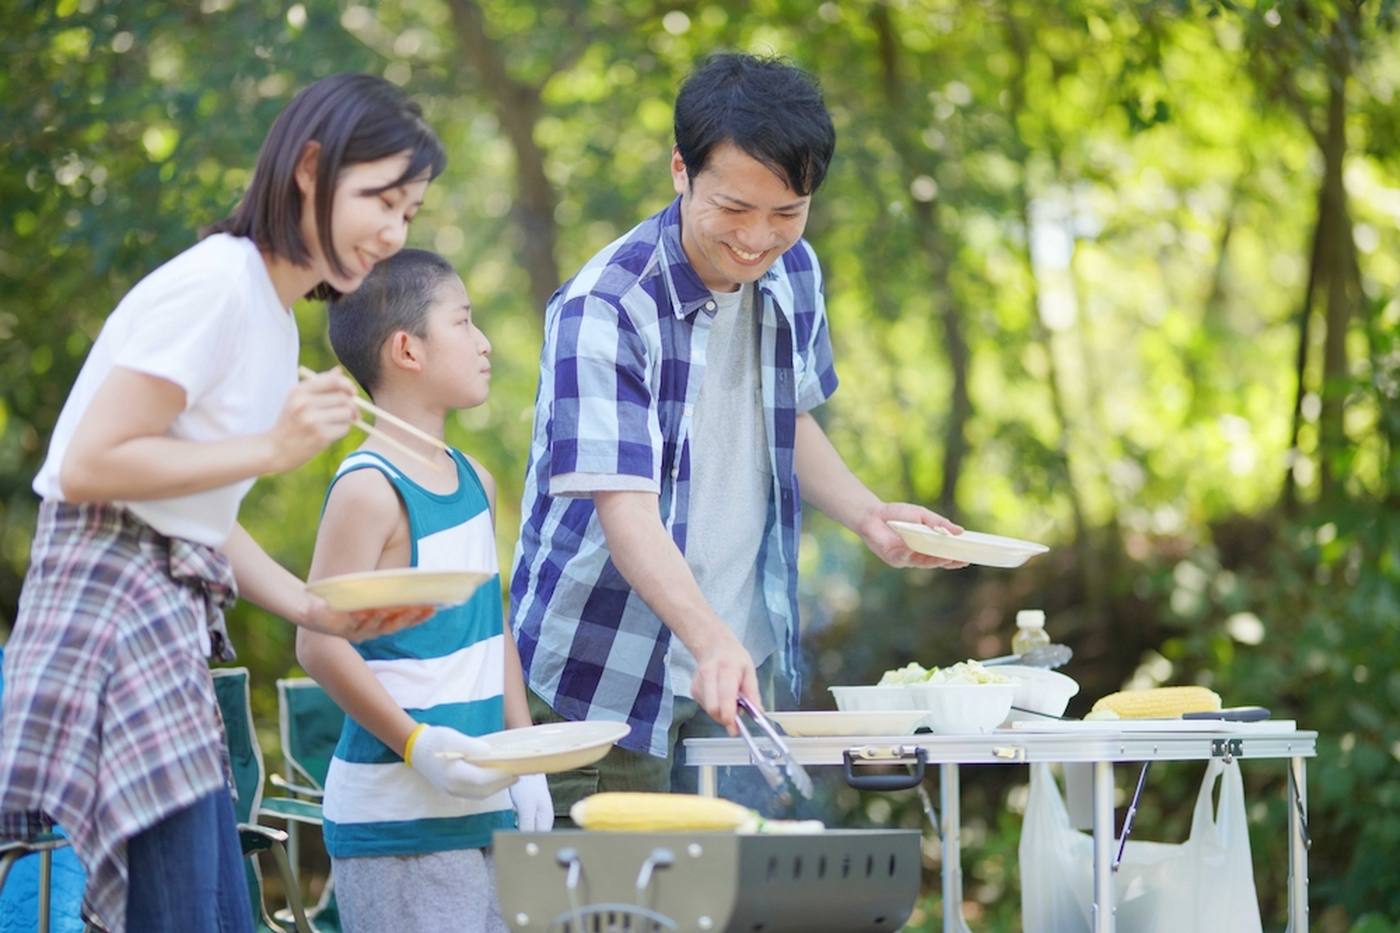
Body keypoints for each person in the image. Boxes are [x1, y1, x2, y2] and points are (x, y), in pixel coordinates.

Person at [0, 73, 445, 933]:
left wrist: (318, 608)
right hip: (109, 610)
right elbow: (90, 463)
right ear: (310, 170)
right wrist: (273, 449)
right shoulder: (217, 284)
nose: (391, 233)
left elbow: (198, 508)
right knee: (184, 912)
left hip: (160, 620)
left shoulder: (272, 319)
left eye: (410, 213)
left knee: (208, 907)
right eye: (380, 200)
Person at [509, 52, 966, 817]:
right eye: (735, 208)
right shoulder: (606, 308)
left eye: (787, 212)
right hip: (603, 674)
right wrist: (708, 636)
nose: (758, 238)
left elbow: (786, 418)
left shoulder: (794, 273)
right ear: (680, 172)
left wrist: (867, 513)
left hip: (739, 668)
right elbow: (626, 512)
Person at [298, 248, 553, 933]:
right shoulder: (369, 487)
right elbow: (317, 643)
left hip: (485, 807)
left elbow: (489, 622)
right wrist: (418, 745)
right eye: (464, 321)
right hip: (396, 822)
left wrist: (525, 757)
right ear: (408, 348)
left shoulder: (475, 478)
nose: (483, 341)